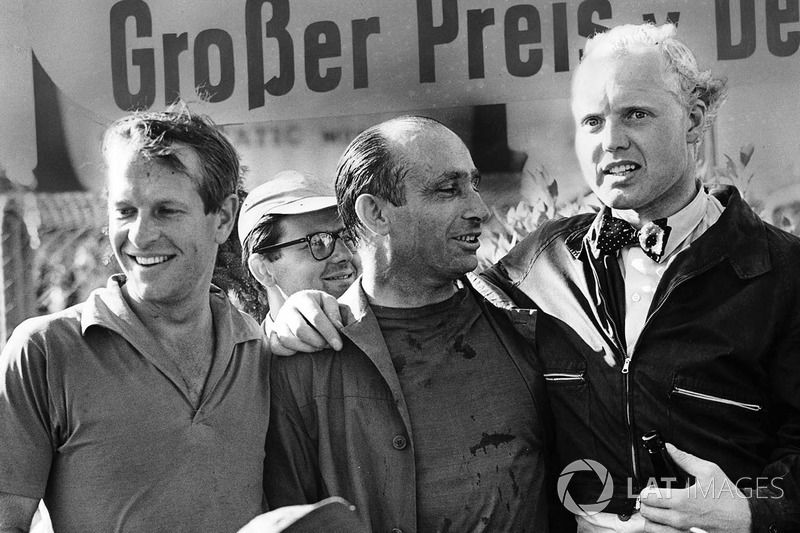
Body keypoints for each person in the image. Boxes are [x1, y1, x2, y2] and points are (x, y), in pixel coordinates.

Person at [269, 24, 800, 533]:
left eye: (636, 114)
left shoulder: (785, 272)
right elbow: (420, 296)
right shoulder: (541, 263)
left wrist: (756, 513)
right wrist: (299, 310)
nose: (612, 141)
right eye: (592, 121)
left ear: (694, 119)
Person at [263, 116, 550, 532]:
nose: (479, 210)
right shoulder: (305, 360)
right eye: (448, 189)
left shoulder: (525, 324)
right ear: (375, 213)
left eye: (474, 185)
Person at [0, 109, 272, 532]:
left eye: (167, 211)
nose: (141, 236)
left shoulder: (259, 351)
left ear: (222, 217)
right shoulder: (45, 352)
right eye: (125, 211)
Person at [238, 170, 359, 331]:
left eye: (348, 237)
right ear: (263, 269)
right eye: (317, 242)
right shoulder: (249, 347)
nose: (345, 254)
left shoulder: (386, 336)